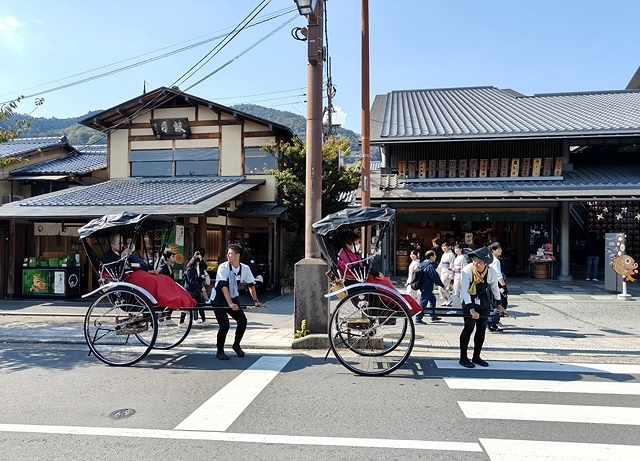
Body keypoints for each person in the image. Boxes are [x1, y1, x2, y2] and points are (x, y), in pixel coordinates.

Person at [102, 233, 196, 310]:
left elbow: (139, 264)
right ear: (112, 244)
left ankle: (181, 298)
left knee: (164, 278)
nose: (122, 245)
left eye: (122, 243)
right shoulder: (107, 256)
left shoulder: (124, 252)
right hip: (127, 277)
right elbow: (114, 270)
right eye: (120, 243)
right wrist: (122, 257)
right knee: (152, 280)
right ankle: (166, 299)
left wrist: (148, 269)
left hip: (137, 272)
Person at [337, 233, 422, 313]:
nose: (358, 245)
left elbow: (363, 265)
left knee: (386, 281)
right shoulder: (344, 255)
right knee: (385, 282)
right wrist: (376, 273)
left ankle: (398, 301)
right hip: (356, 279)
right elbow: (357, 268)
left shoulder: (351, 253)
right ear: (348, 244)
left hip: (361, 276)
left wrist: (375, 273)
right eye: (356, 243)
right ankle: (394, 303)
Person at [211, 244, 264, 360]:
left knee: (242, 321)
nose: (228, 255)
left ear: (237, 255)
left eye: (230, 253)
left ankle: (236, 345)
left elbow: (251, 285)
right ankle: (220, 350)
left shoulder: (245, 269)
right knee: (224, 325)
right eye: (228, 253)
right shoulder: (223, 267)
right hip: (218, 299)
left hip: (232, 297)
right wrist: (230, 304)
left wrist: (256, 300)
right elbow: (223, 286)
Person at [459, 247, 507, 368]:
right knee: (469, 327)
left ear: (485, 263)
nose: (476, 264)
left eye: (479, 262)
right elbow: (464, 290)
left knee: (481, 329)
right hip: (468, 300)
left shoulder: (491, 272)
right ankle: (463, 357)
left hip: (482, 300)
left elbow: (495, 288)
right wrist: (471, 309)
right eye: (474, 261)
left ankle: (476, 356)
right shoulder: (467, 270)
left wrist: (499, 304)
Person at [415, 250, 444, 324]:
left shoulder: (422, 264)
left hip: (423, 285)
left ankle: (433, 315)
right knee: (423, 302)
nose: (436, 257)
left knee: (433, 300)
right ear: (431, 257)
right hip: (427, 286)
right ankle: (418, 318)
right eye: (434, 256)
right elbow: (434, 276)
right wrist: (442, 285)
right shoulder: (430, 265)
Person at [184, 251, 211, 326]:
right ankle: (182, 321)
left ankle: (203, 320)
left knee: (200, 304)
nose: (198, 264)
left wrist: (201, 278)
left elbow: (195, 279)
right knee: (188, 306)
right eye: (197, 262)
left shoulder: (195, 269)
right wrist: (200, 287)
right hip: (190, 290)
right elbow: (191, 281)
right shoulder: (190, 270)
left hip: (196, 289)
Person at [487, 241, 508, 332]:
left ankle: (492, 322)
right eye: (499, 249)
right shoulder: (495, 261)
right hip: (495, 284)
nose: (501, 250)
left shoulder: (489, 259)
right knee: (498, 302)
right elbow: (498, 275)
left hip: (489, 284)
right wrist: (504, 286)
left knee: (492, 303)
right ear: (493, 250)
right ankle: (492, 322)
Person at [437, 241, 455, 306]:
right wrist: (438, 270)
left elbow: (452, 264)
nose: (443, 248)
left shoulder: (451, 254)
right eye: (443, 246)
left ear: (448, 247)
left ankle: (449, 298)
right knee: (440, 286)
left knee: (443, 286)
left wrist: (451, 273)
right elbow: (441, 264)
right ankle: (446, 299)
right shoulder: (444, 254)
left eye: (445, 246)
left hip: (447, 271)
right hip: (442, 270)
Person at [451, 242, 466, 309]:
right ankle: (456, 304)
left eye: (457, 248)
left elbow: (463, 268)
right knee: (455, 290)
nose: (456, 250)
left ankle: (457, 305)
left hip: (460, 275)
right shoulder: (457, 257)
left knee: (457, 290)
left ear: (461, 249)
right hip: (456, 275)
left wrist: (463, 279)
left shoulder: (462, 258)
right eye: (455, 248)